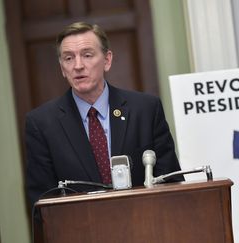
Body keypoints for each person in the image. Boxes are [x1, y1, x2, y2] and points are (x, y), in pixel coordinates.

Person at [25, 22, 183, 207]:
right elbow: (42, 202)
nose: (78, 65)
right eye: (68, 58)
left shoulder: (146, 109)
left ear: (107, 60)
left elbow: (171, 182)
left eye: (87, 55)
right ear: (62, 68)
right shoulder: (42, 123)